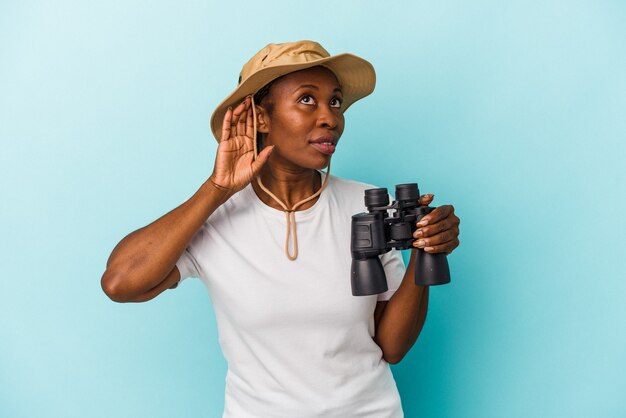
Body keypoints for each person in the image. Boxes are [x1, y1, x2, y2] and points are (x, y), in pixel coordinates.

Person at [101, 40, 460, 418]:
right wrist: (216, 190)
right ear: (261, 118)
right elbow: (121, 282)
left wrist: (425, 250)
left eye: (335, 102)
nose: (330, 118)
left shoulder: (367, 204)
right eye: (307, 99)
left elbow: (392, 347)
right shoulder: (216, 219)